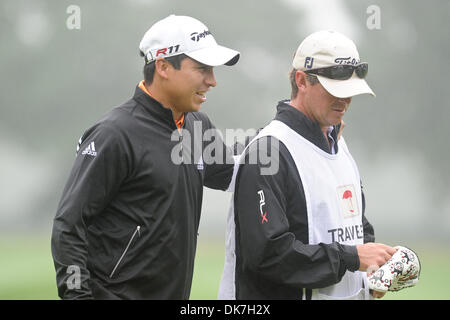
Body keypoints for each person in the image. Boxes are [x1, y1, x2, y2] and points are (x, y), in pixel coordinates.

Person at [51, 14, 239, 299]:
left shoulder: (198, 128)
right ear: (163, 66)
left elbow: (234, 173)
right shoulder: (114, 134)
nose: (212, 81)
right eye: (202, 68)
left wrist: (281, 139)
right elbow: (69, 226)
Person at [218, 30, 396, 300]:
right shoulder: (268, 153)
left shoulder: (338, 143)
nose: (345, 101)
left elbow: (356, 225)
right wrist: (351, 257)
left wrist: (373, 270)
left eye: (351, 91)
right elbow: (268, 254)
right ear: (301, 80)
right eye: (335, 90)